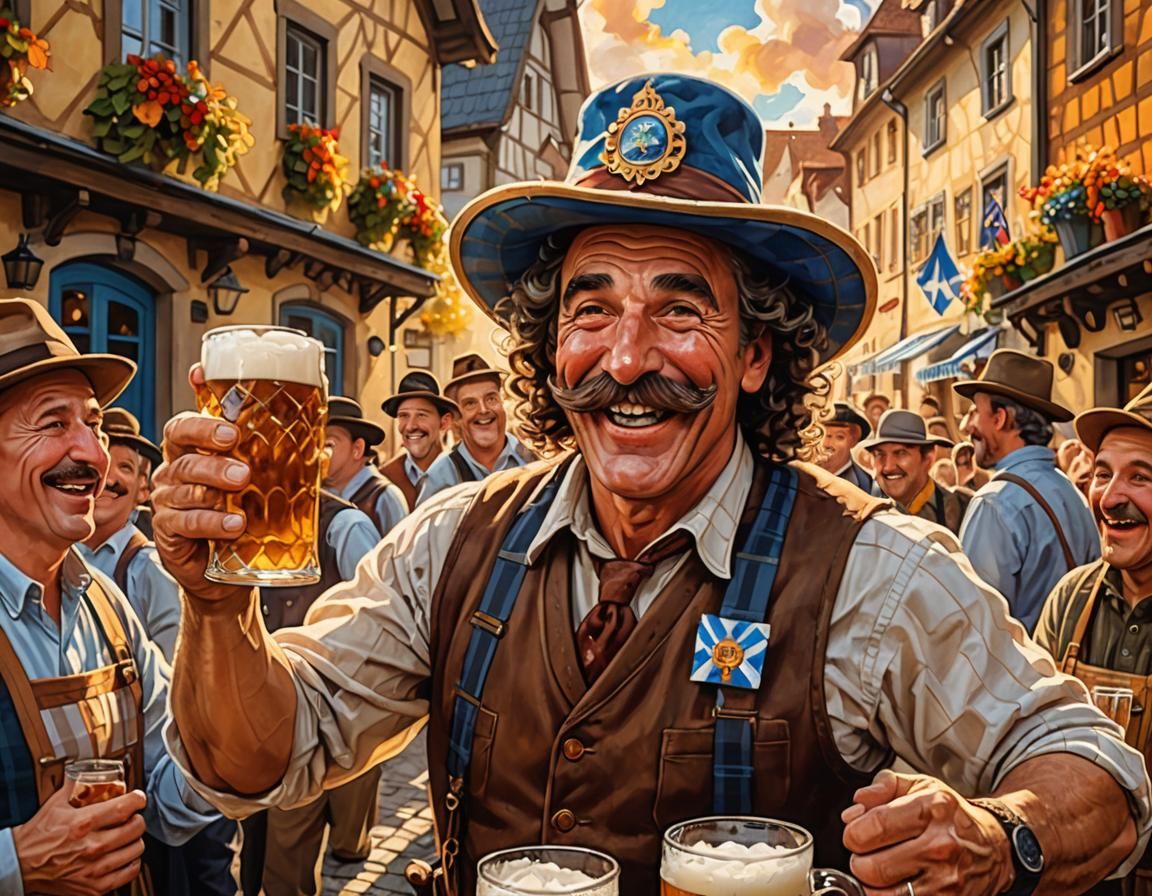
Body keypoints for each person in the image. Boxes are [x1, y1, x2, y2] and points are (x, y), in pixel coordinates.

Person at [153, 75, 1148, 895]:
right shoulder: (450, 541)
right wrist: (212, 605)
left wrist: (998, 834)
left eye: (680, 311)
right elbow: (252, 761)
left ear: (758, 353)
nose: (627, 359)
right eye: (591, 309)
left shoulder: (874, 570)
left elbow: (1100, 769)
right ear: (550, 350)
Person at [0, 298, 221, 895]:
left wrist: (220, 612)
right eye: (53, 423)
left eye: (94, 424)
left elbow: (173, 800)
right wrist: (15, 862)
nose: (95, 457)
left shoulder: (104, 600)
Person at [1035, 382, 1152, 895]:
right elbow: (1030, 742)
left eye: (1141, 477)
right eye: (1102, 474)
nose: (1109, 496)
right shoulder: (1071, 599)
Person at [242, 490, 381, 896]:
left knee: (300, 836)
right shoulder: (242, 515)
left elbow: (374, 614)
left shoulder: (343, 525)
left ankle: (350, 840)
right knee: (266, 834)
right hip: (262, 702)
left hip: (325, 704)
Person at [956, 349, 1101, 631]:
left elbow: (974, 621)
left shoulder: (994, 501)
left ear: (999, 418)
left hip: (1020, 671)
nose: (967, 426)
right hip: (1068, 663)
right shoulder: (1069, 488)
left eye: (976, 412)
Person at [76, 408, 178, 659]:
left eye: (124, 467)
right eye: (102, 463)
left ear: (143, 489)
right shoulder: (56, 558)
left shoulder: (149, 568)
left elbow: (174, 674)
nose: (108, 479)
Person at [415, 353, 537, 505]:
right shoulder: (439, 479)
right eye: (470, 403)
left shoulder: (533, 460)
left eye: (491, 398)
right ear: (456, 417)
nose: (484, 410)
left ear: (502, 402)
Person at [861, 409, 971, 534]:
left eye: (900, 453)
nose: (888, 467)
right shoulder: (860, 508)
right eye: (880, 454)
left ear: (928, 459)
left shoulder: (960, 509)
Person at [324, 396, 408, 537]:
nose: (318, 452)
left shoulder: (384, 498)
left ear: (357, 448)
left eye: (328, 444)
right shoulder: (317, 492)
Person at [379, 371, 458, 510]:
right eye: (403, 416)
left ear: (444, 422)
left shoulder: (464, 472)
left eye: (421, 415)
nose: (411, 426)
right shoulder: (384, 479)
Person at [817, 401, 872, 491]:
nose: (828, 444)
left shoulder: (864, 484)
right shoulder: (802, 474)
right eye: (824, 435)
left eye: (839, 437)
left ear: (853, 441)